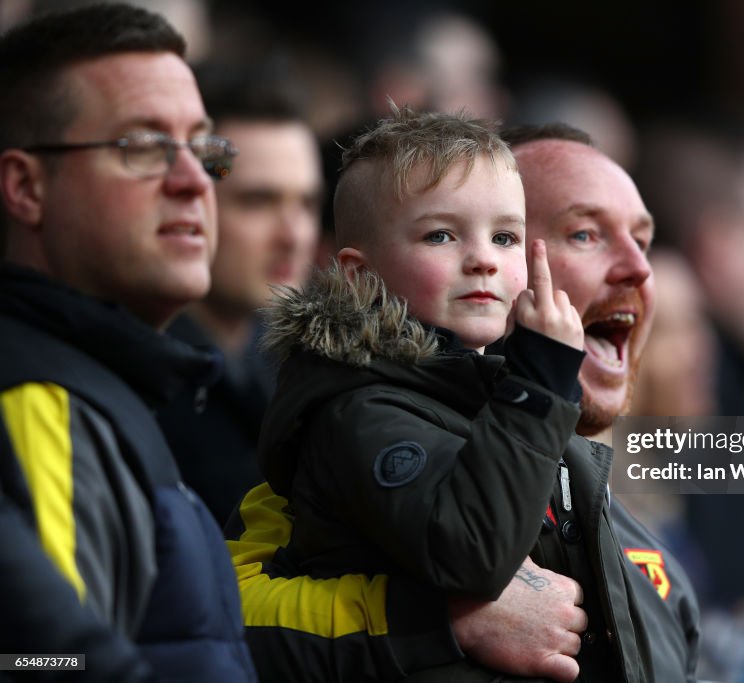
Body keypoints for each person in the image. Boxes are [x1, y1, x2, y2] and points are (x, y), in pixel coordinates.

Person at [226, 122, 700, 682]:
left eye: (505, 238)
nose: (640, 269)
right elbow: (197, 632)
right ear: (361, 272)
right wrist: (435, 624)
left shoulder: (643, 541)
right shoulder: (355, 413)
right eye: (584, 234)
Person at [0, 4, 255, 681]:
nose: (195, 180)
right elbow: (38, 666)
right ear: (26, 186)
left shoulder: (100, 383)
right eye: (142, 146)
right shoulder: (39, 400)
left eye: (206, 149)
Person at [157, 62, 322, 526]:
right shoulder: (141, 387)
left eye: (307, 203)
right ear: (189, 201)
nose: (294, 235)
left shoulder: (303, 374)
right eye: (258, 201)